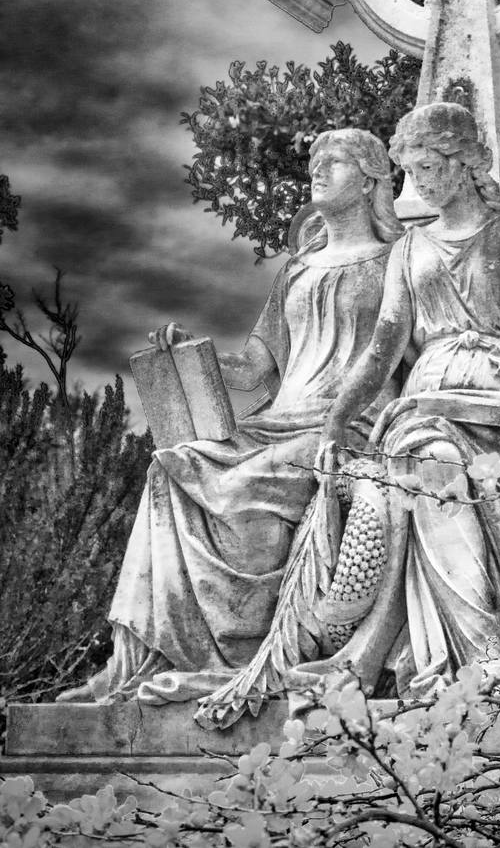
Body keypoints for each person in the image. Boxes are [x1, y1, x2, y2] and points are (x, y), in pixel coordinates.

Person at [59, 128, 403, 704]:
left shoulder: (398, 261)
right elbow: (251, 370)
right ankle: (134, 662)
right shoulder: (297, 269)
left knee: (243, 486)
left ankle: (242, 656)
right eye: (314, 163)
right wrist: (193, 350)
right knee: (171, 467)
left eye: (335, 161)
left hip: (347, 427)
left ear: (371, 181)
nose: (318, 171)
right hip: (279, 422)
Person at [290, 102, 500, 700]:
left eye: (430, 168)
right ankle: (480, 661)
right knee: (431, 468)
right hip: (428, 408)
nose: (420, 185)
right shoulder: (408, 250)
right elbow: (381, 351)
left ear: (465, 164)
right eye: (411, 172)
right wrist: (335, 422)